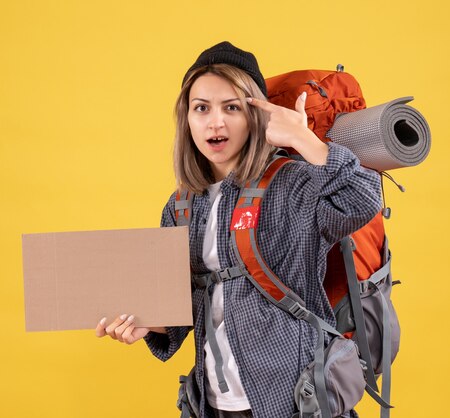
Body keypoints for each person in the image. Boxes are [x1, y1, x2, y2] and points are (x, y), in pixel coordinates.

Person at [95, 41, 381, 418]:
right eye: (202, 108)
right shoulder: (181, 205)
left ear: (256, 114)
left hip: (295, 400)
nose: (216, 122)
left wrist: (303, 139)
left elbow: (363, 197)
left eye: (232, 107)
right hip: (212, 402)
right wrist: (148, 324)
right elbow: (183, 310)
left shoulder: (291, 184)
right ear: (187, 119)